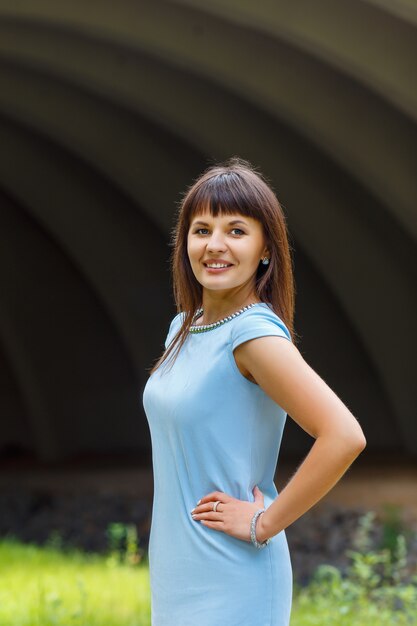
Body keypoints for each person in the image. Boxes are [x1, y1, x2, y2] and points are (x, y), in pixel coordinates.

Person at [142, 156, 366, 626]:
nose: (215, 245)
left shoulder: (254, 336)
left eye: (236, 231)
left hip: (234, 576)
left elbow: (343, 435)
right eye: (201, 230)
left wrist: (264, 523)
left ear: (266, 248)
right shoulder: (184, 327)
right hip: (179, 572)